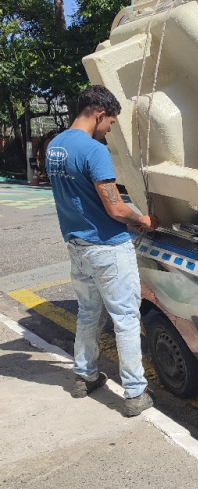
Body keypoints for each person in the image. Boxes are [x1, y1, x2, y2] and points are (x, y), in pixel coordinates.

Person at [46, 85, 158, 416]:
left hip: (77, 246)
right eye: (109, 123)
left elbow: (78, 197)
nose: (109, 130)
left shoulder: (55, 146)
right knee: (125, 317)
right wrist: (142, 219)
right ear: (98, 114)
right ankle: (135, 393)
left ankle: (84, 376)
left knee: (88, 312)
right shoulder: (94, 151)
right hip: (107, 247)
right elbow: (115, 209)